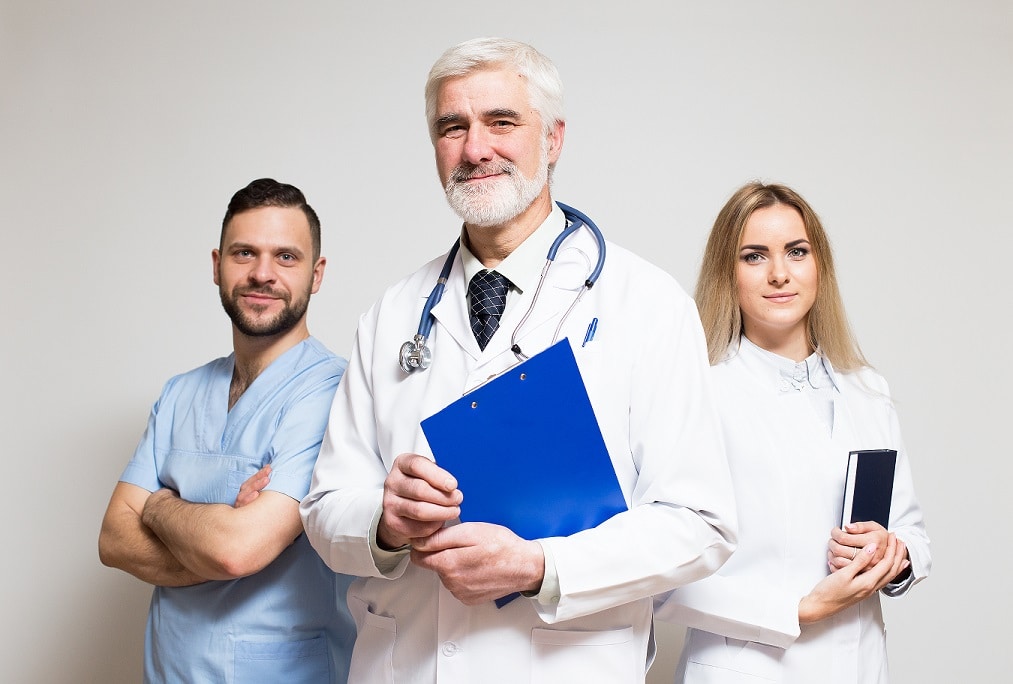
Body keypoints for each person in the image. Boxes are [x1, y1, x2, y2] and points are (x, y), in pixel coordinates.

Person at [299, 37, 737, 683]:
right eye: (453, 127)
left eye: (501, 122)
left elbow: (699, 525)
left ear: (553, 139)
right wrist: (384, 524)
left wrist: (542, 567)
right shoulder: (391, 314)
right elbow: (323, 509)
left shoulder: (645, 305)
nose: (475, 149)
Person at [655, 182, 931, 683]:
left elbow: (911, 529)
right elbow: (659, 574)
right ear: (727, 273)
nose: (780, 273)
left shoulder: (867, 388)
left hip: (859, 665)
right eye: (754, 256)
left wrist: (897, 554)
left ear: (819, 265)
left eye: (796, 252)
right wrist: (796, 608)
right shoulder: (699, 392)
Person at [98, 178, 355, 683]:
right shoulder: (180, 393)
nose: (263, 274)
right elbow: (113, 539)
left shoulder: (334, 392)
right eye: (244, 253)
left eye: (286, 256)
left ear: (316, 274)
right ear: (216, 265)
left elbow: (237, 551)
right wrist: (217, 535)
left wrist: (156, 505)